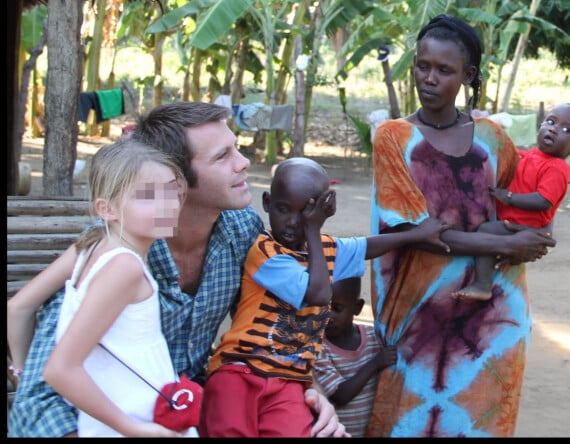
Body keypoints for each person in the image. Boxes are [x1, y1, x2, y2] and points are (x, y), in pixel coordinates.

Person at [7, 102, 346, 438]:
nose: (244, 163)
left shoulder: (242, 229)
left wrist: (310, 389)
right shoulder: (115, 246)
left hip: (186, 406)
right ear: (175, 177)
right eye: (222, 156)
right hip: (105, 419)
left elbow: (268, 324)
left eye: (237, 149)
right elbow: (40, 393)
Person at [366, 14, 557, 438]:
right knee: (407, 419)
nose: (428, 78)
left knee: (479, 420)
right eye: (422, 66)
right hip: (419, 312)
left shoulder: (492, 137)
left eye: (444, 70)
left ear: (467, 76)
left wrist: (531, 233)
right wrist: (505, 244)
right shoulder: (394, 137)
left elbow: (514, 208)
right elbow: (416, 231)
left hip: (493, 314)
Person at [198, 157, 450, 437]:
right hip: (241, 371)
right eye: (283, 210)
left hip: (290, 381)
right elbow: (318, 294)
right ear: (267, 203)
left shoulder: (323, 249)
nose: (293, 224)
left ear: (323, 209)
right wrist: (313, 229)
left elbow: (366, 246)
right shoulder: (267, 253)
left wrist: (415, 236)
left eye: (305, 214)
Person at [8, 139, 192, 437]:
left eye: (171, 190)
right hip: (132, 419)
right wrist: (133, 429)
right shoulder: (125, 268)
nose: (166, 205)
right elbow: (60, 369)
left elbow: (16, 307)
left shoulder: (90, 247)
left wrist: (20, 371)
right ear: (107, 209)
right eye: (147, 197)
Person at [455, 102, 570, 300]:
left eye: (566, 129)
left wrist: (510, 198)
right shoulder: (530, 155)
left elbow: (544, 200)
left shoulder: (557, 167)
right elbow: (507, 154)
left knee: (486, 232)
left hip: (524, 225)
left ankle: (482, 285)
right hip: (512, 220)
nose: (554, 129)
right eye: (550, 122)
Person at [314, 276, 397, 438]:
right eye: (321, 309)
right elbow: (340, 395)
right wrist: (375, 364)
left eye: (336, 308)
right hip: (341, 433)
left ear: (357, 307)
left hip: (376, 428)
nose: (328, 316)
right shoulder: (318, 348)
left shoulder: (373, 335)